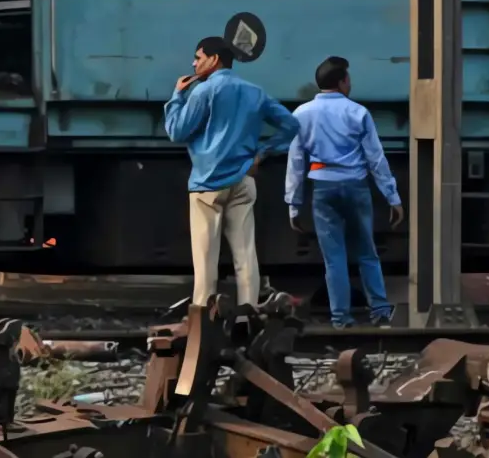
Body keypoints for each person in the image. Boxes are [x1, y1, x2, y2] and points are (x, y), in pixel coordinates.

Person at [164, 36, 297, 309]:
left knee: (205, 258)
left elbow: (177, 132)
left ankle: (203, 314)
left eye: (198, 57)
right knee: (246, 253)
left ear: (214, 59)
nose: (194, 63)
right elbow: (291, 125)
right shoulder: (254, 92)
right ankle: (249, 313)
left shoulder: (202, 91)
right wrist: (263, 153)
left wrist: (177, 96)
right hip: (243, 179)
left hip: (207, 185)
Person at [286, 57, 401, 328]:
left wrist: (294, 203)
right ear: (341, 82)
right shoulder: (358, 113)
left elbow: (296, 162)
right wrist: (392, 196)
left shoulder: (301, 114)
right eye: (348, 79)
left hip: (323, 189)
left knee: (334, 258)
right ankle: (381, 311)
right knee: (366, 252)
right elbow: (376, 158)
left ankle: (341, 319)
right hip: (355, 185)